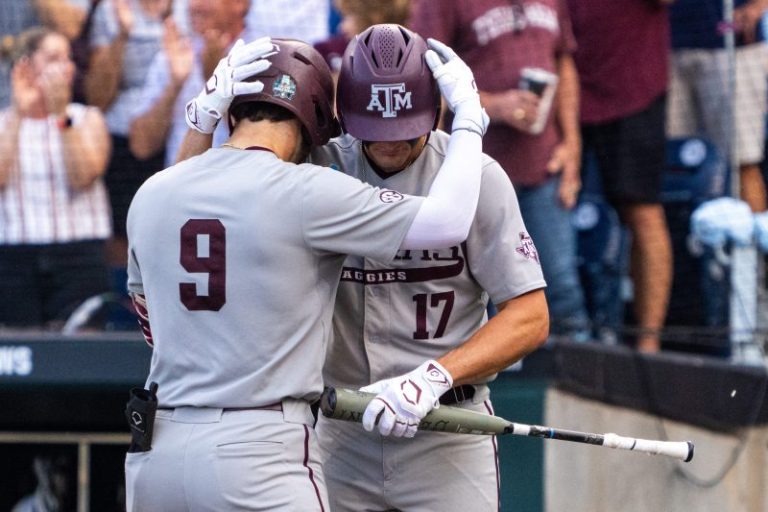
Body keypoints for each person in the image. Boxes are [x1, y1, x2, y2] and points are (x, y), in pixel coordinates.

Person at [178, 24, 549, 512]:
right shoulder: (317, 163)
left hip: (448, 429)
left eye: (404, 130)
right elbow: (186, 199)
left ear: (433, 110)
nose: (389, 145)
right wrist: (202, 122)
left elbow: (530, 316)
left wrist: (436, 377)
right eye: (374, 132)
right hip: (339, 429)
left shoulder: (474, 174)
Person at [410, 0, 591, 340]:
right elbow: (426, 81)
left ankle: (577, 389)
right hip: (475, 175)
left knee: (563, 289)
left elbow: (563, 62)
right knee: (487, 301)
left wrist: (572, 145)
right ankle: (504, 392)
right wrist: (495, 105)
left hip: (543, 165)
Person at [566, 0, 674, 352]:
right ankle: (565, 338)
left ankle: (649, 345)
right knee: (555, 210)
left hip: (633, 91)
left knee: (642, 211)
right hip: (566, 93)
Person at [0, 27, 112, 328]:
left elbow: (84, 175)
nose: (66, 66)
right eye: (53, 58)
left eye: (68, 58)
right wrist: (17, 115)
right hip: (13, 259)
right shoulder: (4, 122)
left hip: (78, 257)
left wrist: (61, 114)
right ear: (25, 65)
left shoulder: (87, 118)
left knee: (82, 352)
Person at [86, 0, 171, 272]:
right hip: (124, 134)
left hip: (180, 126)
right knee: (125, 230)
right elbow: (97, 97)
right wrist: (122, 34)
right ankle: (127, 304)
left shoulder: (192, 6)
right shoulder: (110, 10)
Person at [668, 0, 768, 213]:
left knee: (742, 161)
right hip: (666, 45)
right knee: (675, 165)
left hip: (730, 43)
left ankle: (756, 243)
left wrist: (758, 6)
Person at [128, 0, 252, 167]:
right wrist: (174, 86)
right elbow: (141, 146)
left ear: (239, 4)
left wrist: (216, 83)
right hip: (179, 186)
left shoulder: (262, 56)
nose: (195, 5)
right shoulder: (177, 53)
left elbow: (259, 147)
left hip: (238, 182)